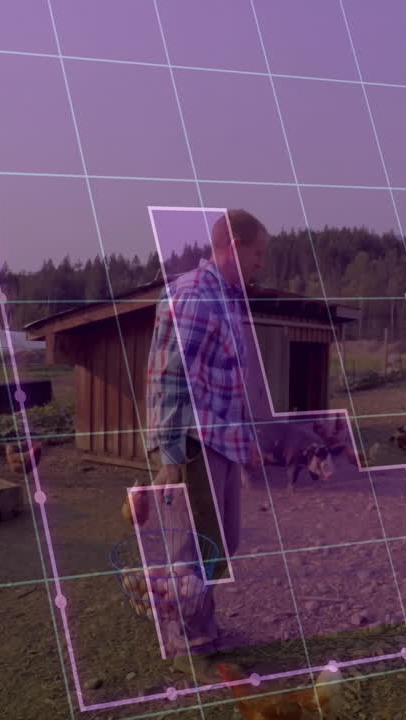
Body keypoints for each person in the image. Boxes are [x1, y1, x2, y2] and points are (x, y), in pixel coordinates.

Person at [138, 208, 268, 682]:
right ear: (233, 247)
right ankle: (189, 641)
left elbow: (227, 379)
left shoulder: (227, 298)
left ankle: (200, 626)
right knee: (191, 550)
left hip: (222, 439)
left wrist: (247, 439)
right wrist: (170, 459)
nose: (260, 263)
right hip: (192, 441)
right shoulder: (195, 294)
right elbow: (171, 378)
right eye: (257, 253)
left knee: (221, 544)